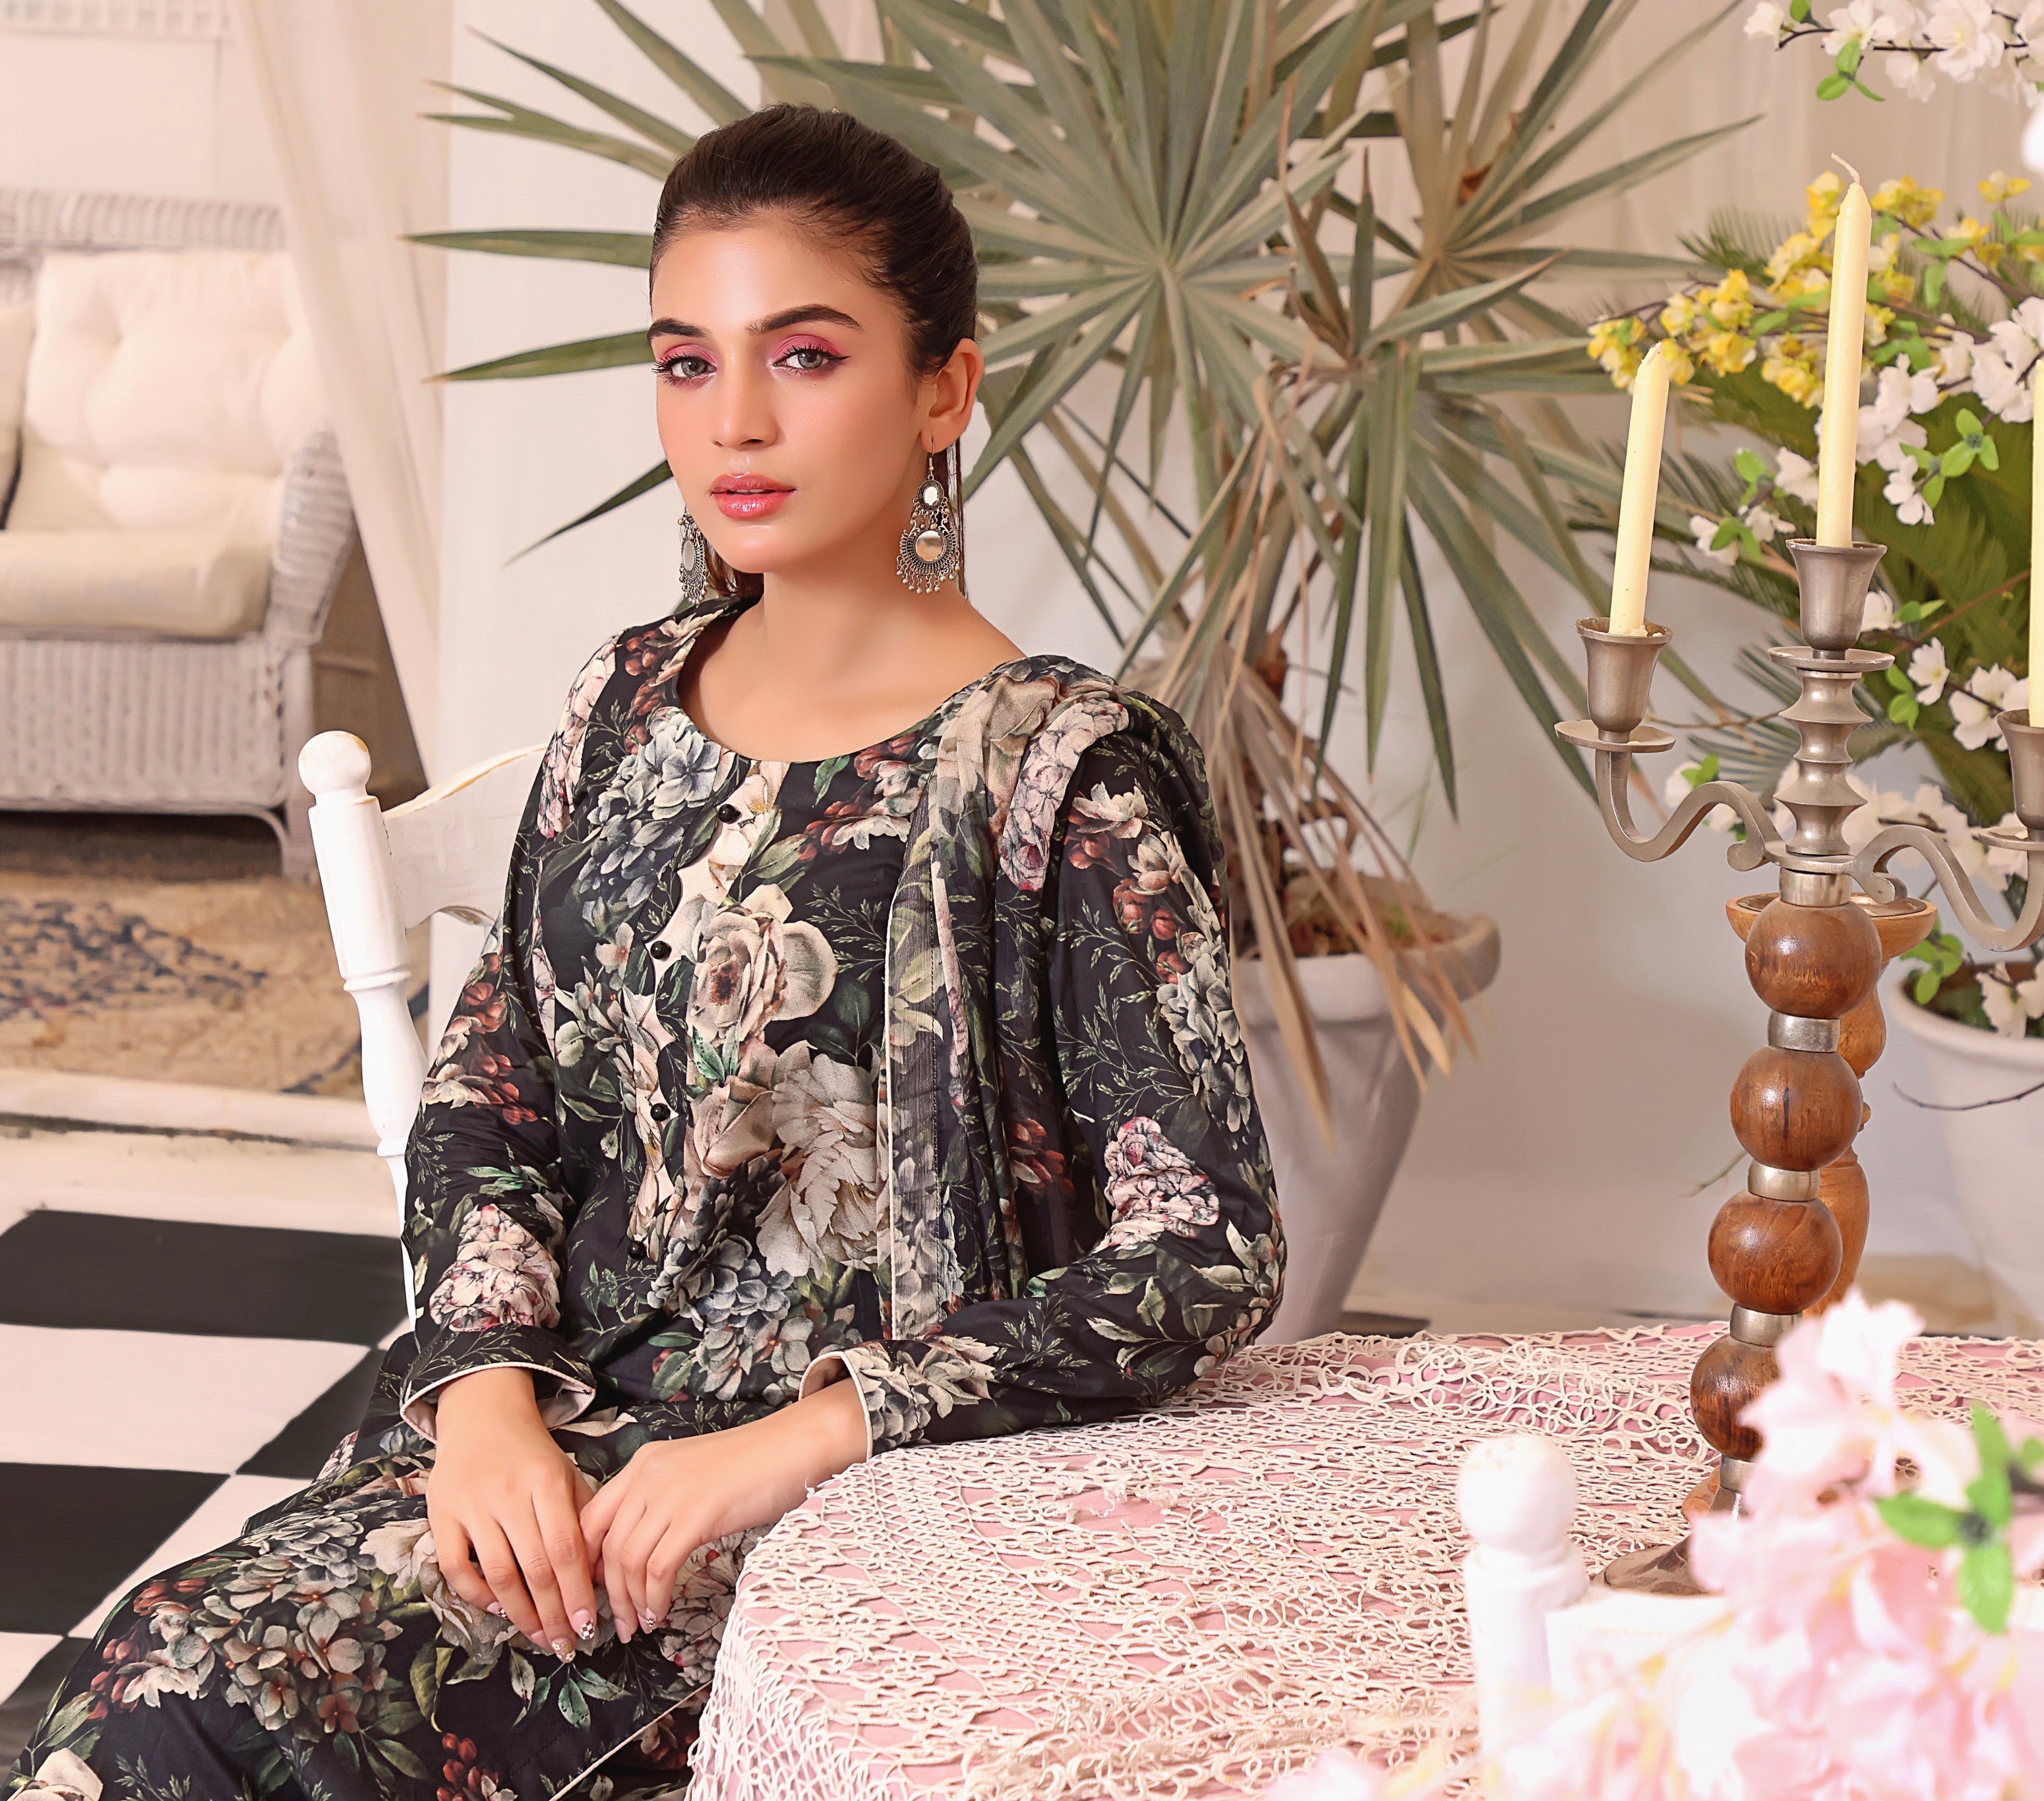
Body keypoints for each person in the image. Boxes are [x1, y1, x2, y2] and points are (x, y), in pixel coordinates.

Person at [5, 104, 1282, 1801]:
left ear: (942, 391)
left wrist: (804, 1434)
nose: (733, 419)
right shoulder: (622, 705)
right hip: (539, 1442)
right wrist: (479, 1394)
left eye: (803, 355)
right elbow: (491, 1096)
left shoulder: (1058, 775)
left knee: (192, 1728)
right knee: (139, 1680)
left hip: (847, 1508)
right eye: (687, 361)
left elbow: (1205, 1250)